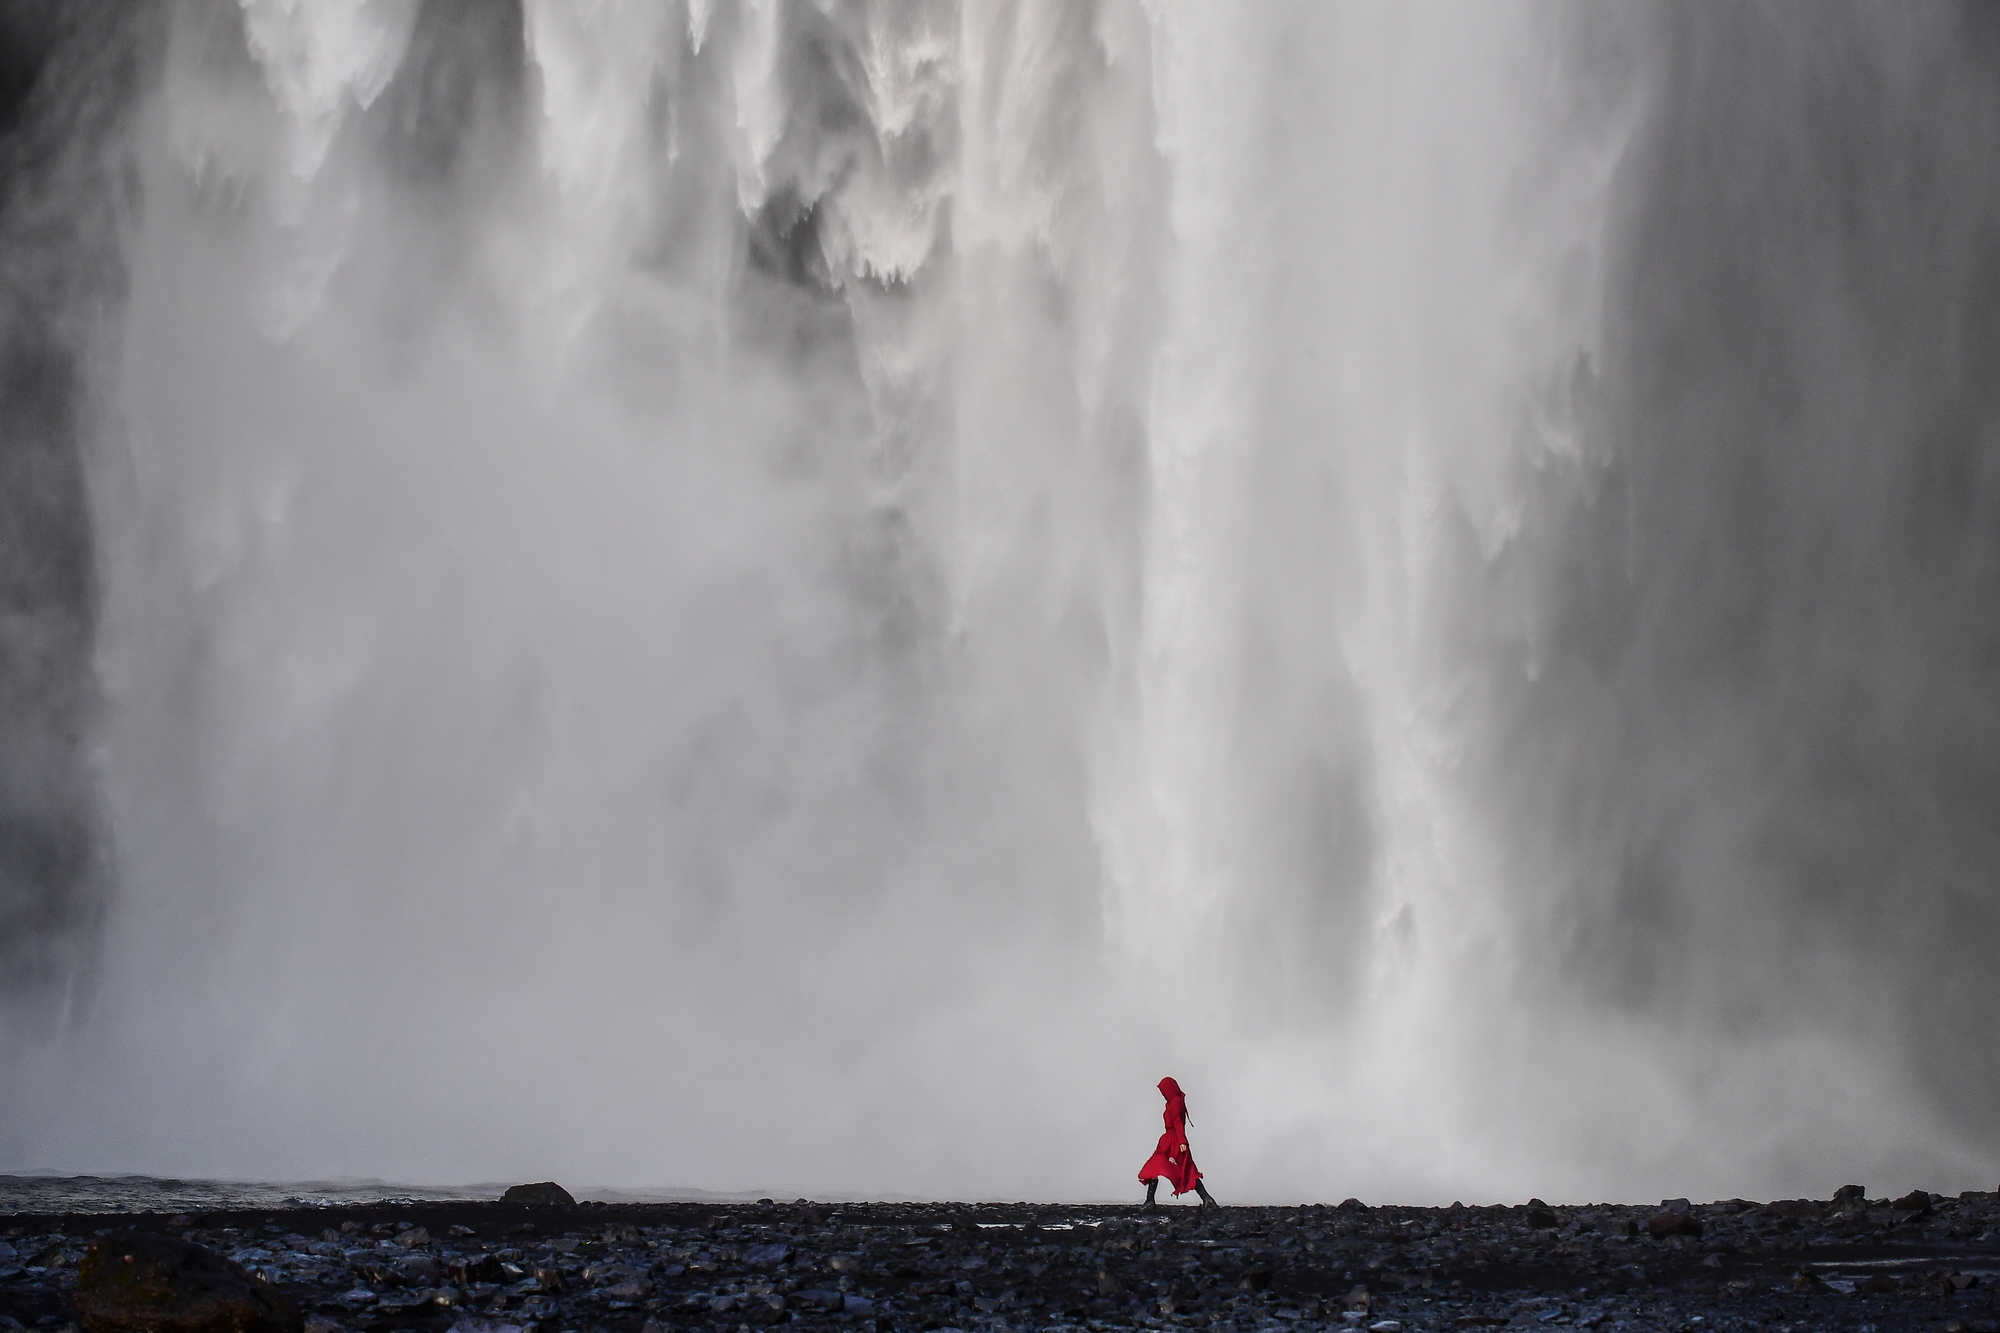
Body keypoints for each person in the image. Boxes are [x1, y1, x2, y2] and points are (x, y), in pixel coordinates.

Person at [1139, 1076, 1217, 1209]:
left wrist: (1182, 1142)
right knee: (1164, 1167)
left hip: (1174, 1140)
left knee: (1176, 1168)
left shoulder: (1175, 1102)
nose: (1163, 1094)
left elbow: (1178, 1123)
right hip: (1169, 1139)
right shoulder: (1172, 1102)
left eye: (1164, 1091)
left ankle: (1150, 1201)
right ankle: (1207, 1199)